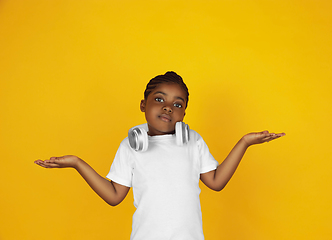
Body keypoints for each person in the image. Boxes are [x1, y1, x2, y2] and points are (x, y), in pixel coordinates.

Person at [34, 71, 285, 240]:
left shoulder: (193, 141)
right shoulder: (131, 146)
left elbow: (216, 182)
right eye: (159, 99)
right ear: (143, 105)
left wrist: (244, 142)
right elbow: (114, 196)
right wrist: (77, 163)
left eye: (178, 104)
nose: (168, 107)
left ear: (183, 115)